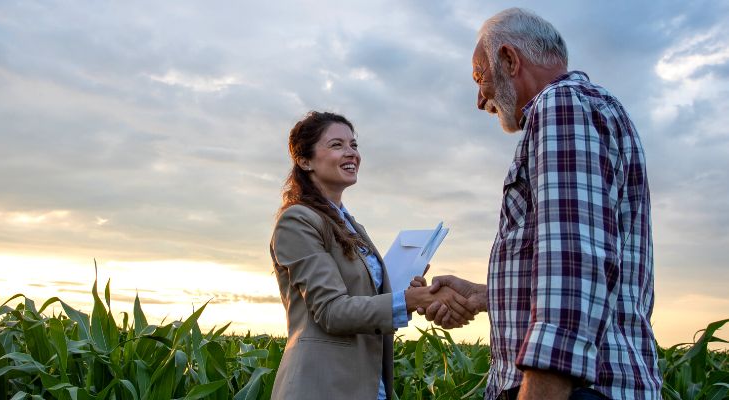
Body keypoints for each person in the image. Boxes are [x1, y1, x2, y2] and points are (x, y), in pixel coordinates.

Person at [414, 8, 662, 400]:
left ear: (510, 60)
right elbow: (585, 260)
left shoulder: (561, 106)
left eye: (481, 78)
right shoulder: (592, 108)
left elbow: (573, 262)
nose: (481, 99)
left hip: (573, 390)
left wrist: (543, 389)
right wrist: (482, 295)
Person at [269, 111, 474, 400]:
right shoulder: (298, 221)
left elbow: (365, 299)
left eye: (354, 145)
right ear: (304, 161)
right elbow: (331, 311)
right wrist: (409, 300)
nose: (351, 152)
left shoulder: (352, 225)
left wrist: (406, 290)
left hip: (369, 385)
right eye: (337, 145)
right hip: (322, 386)